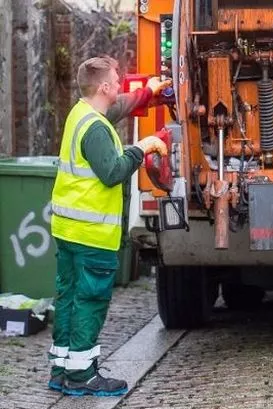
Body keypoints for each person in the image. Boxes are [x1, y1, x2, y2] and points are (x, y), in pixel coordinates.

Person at [47, 56, 170, 396]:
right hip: (91, 235)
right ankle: (83, 375)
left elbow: (118, 109)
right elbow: (113, 171)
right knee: (90, 301)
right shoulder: (97, 129)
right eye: (117, 81)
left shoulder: (81, 113)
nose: (120, 85)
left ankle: (62, 369)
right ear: (103, 86)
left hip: (69, 230)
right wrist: (143, 147)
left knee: (69, 298)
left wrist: (148, 94)